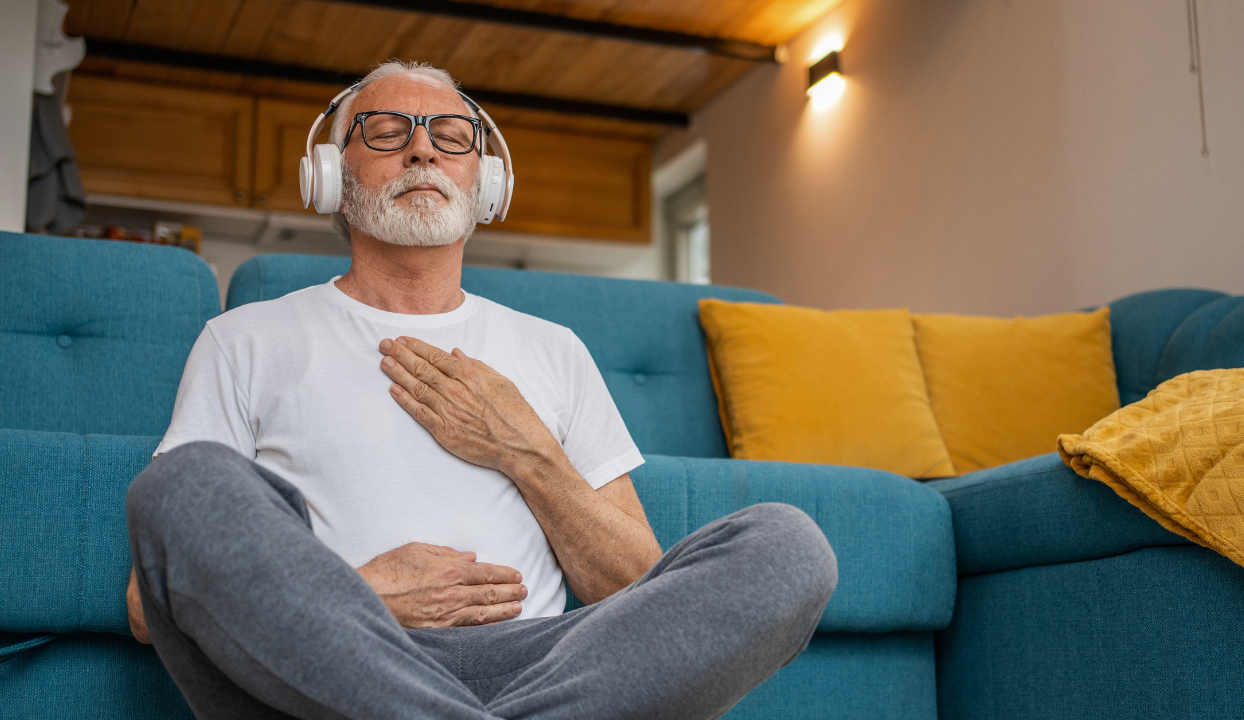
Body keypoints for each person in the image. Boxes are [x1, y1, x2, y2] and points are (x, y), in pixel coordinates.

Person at [125, 61, 837, 720]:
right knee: (182, 486)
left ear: (485, 182)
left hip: (545, 670)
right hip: (336, 666)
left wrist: (529, 454)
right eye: (387, 130)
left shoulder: (553, 350)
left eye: (451, 135)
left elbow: (640, 591)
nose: (423, 150)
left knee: (788, 545)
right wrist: (361, 597)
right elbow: (145, 600)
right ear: (328, 177)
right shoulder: (245, 338)